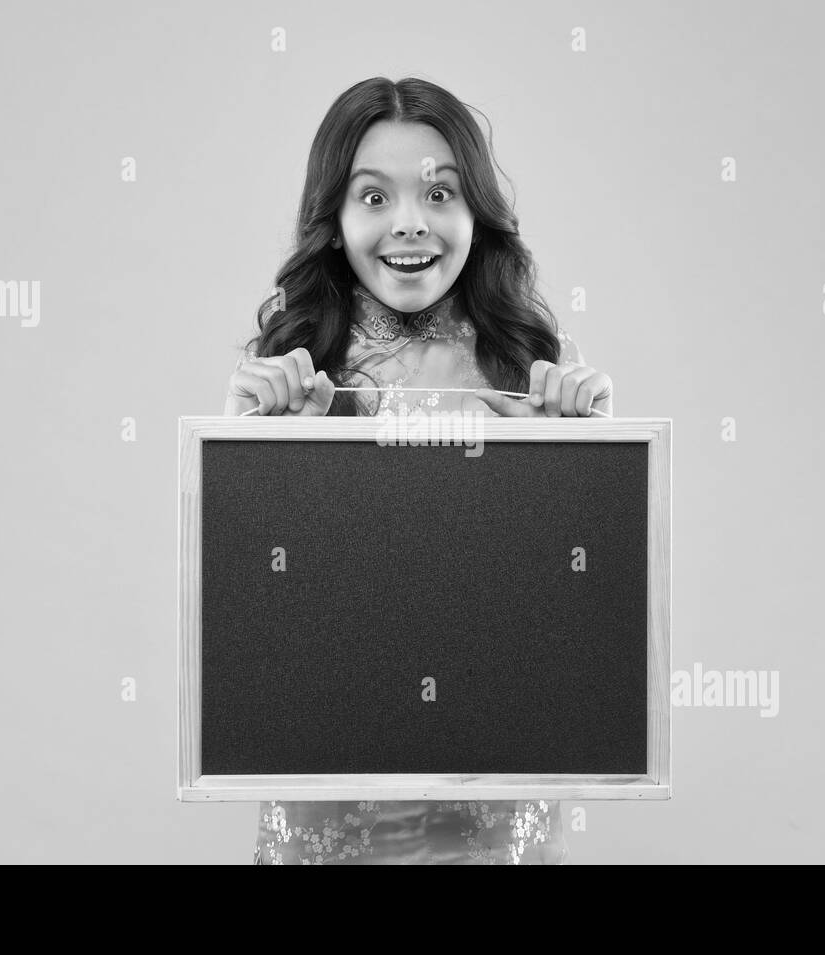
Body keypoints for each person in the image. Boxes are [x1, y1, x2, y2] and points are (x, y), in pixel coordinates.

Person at [224, 76, 612, 864]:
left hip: (489, 790)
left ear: (477, 214)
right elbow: (256, 633)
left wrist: (588, 471)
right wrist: (250, 459)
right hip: (330, 787)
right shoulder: (291, 378)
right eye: (374, 198)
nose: (410, 224)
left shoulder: (535, 374)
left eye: (440, 193)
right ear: (333, 222)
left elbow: (579, 629)